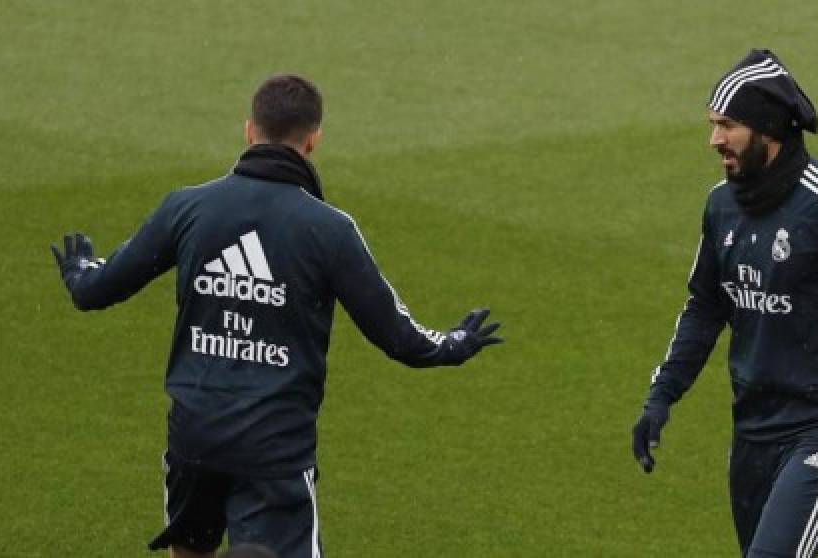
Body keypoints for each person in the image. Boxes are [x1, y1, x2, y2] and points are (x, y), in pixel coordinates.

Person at [51, 74, 502, 558]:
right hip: (274, 451)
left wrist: (80, 271)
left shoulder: (188, 206)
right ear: (313, 140)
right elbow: (399, 337)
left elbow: (97, 289)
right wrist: (453, 343)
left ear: (249, 130)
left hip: (195, 437)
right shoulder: (329, 229)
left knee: (190, 552)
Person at [631, 49, 818, 556]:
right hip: (753, 430)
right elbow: (704, 306)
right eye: (713, 125)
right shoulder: (721, 204)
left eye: (728, 125)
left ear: (768, 130)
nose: (714, 140)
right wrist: (663, 395)